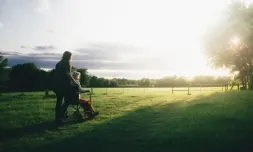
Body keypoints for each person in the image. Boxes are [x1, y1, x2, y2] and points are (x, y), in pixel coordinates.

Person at [53, 51, 76, 124]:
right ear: (69, 56)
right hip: (64, 85)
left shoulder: (58, 63)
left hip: (56, 85)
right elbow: (68, 74)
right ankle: (61, 116)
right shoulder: (67, 63)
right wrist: (74, 81)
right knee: (68, 101)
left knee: (59, 101)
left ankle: (58, 118)